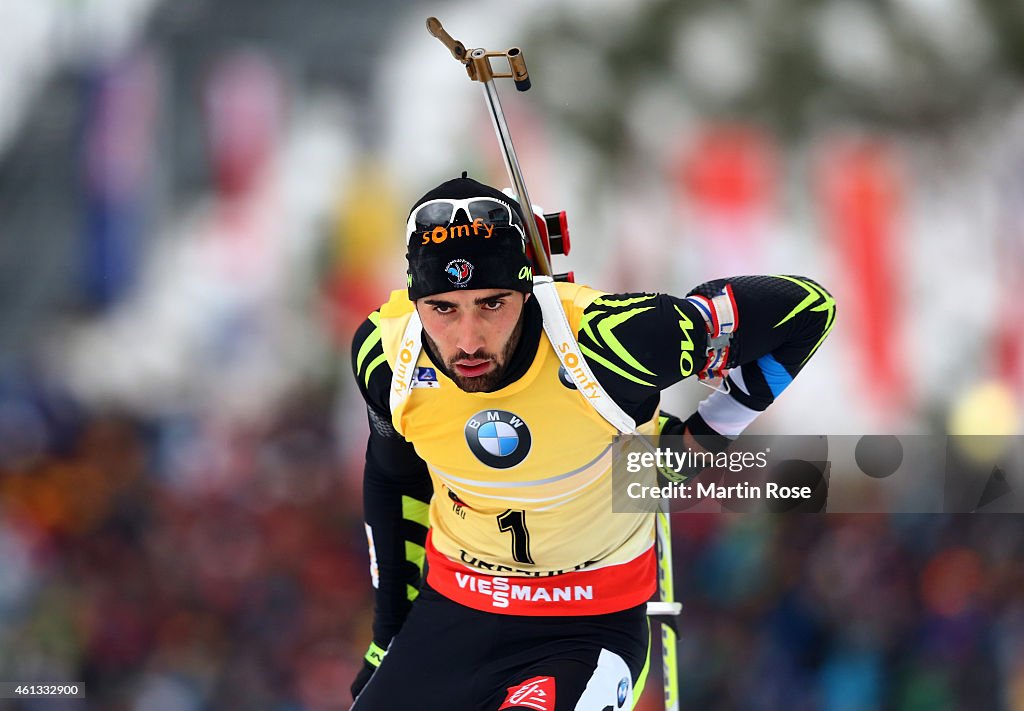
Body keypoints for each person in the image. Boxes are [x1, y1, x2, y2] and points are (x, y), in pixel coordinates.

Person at [349, 173, 836, 710]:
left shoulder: (606, 345)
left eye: (493, 303)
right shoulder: (386, 354)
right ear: (416, 300)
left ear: (528, 288)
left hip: (585, 624)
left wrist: (706, 436)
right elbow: (395, 478)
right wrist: (388, 630)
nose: (468, 340)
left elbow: (806, 310)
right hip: (454, 612)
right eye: (443, 308)